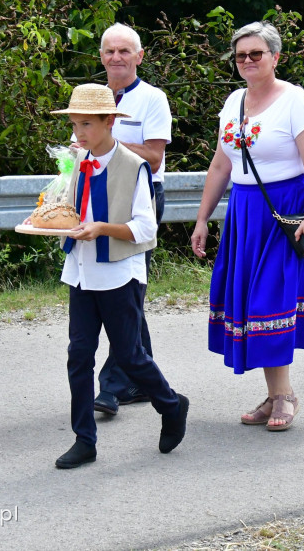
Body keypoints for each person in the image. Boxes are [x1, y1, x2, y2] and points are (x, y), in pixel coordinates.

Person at [190, 21, 304, 431]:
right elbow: (221, 164)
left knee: (267, 302)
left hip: (284, 212)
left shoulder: (296, 101)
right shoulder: (234, 101)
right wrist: (202, 219)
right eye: (240, 55)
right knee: (252, 304)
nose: (248, 60)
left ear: (275, 57)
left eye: (256, 53)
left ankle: (284, 395)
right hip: (244, 211)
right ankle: (275, 395)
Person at [49, 84, 188, 469]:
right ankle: (84, 440)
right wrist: (55, 218)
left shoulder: (133, 165)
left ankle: (172, 405)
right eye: (75, 124)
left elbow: (146, 229)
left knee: (130, 355)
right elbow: (63, 205)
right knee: (79, 356)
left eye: (87, 125)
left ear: (111, 122)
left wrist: (102, 229)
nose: (78, 134)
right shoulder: (76, 160)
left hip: (119, 275)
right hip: (80, 272)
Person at [93, 23, 173, 415]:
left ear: (139, 56)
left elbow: (154, 157)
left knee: (124, 290)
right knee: (123, 292)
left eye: (125, 51)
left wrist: (107, 142)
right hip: (97, 197)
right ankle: (142, 377)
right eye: (110, 51)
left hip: (140, 198)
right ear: (101, 56)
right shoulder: (92, 99)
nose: (117, 58)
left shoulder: (152, 99)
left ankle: (112, 383)